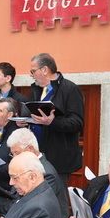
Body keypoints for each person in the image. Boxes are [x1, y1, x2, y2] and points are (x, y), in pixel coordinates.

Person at [28, 52, 84, 184]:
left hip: (58, 159)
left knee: (58, 201)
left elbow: (77, 122)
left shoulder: (70, 89)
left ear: (45, 70)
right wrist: (25, 122)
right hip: (36, 156)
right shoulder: (36, 90)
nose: (31, 75)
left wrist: (53, 122)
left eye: (33, 71)